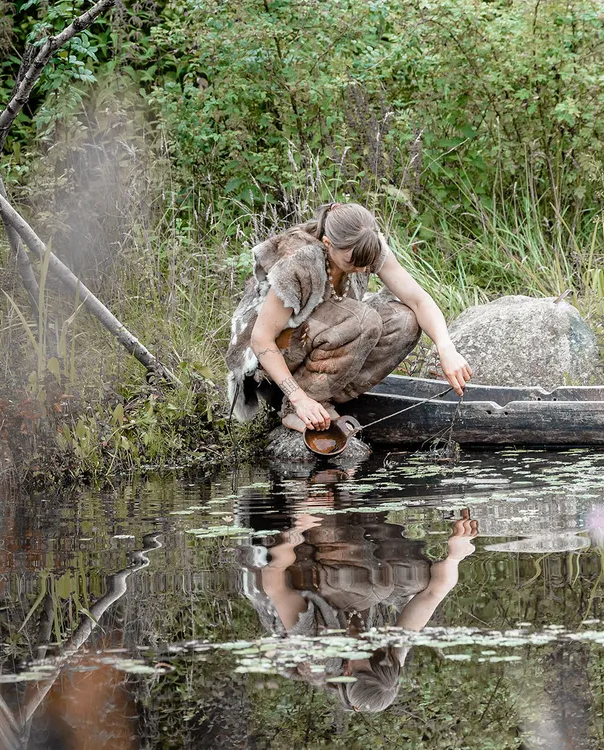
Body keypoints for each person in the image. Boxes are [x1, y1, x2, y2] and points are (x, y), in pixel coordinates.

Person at [239, 470, 480, 713]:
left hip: (277, 566)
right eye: (384, 654)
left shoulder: (319, 653)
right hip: (326, 569)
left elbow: (274, 584)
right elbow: (433, 594)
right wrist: (455, 555)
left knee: (364, 585)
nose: (379, 647)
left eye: (373, 655)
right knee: (415, 579)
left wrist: (300, 525)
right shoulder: (391, 655)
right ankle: (360, 493)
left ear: (346, 671)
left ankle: (324, 485)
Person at [225, 202, 473, 433]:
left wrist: (445, 346)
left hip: (319, 346)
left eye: (368, 263)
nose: (365, 270)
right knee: (362, 319)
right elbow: (261, 340)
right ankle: (296, 409)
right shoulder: (298, 262)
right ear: (327, 243)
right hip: (271, 366)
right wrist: (298, 398)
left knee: (404, 321)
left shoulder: (366, 247)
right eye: (354, 263)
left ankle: (328, 396)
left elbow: (419, 300)